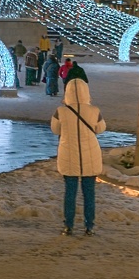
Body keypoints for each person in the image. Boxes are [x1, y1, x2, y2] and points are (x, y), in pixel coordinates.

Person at [52, 78, 106, 236]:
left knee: (70, 193)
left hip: (68, 155)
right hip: (91, 155)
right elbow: (101, 128)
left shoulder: (60, 111)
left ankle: (68, 225)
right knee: (89, 194)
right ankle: (89, 226)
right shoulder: (94, 111)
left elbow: (55, 130)